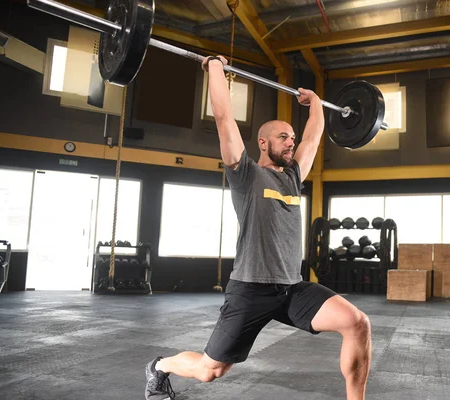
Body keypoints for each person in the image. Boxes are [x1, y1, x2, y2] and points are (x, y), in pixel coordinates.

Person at [144, 55, 372, 400]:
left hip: (292, 289)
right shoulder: (245, 174)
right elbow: (223, 117)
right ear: (263, 143)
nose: (291, 142)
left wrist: (315, 105)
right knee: (210, 371)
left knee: (358, 323)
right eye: (283, 137)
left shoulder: (294, 177)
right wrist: (216, 68)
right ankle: (159, 366)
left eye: (291, 137)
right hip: (250, 289)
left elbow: (312, 139)